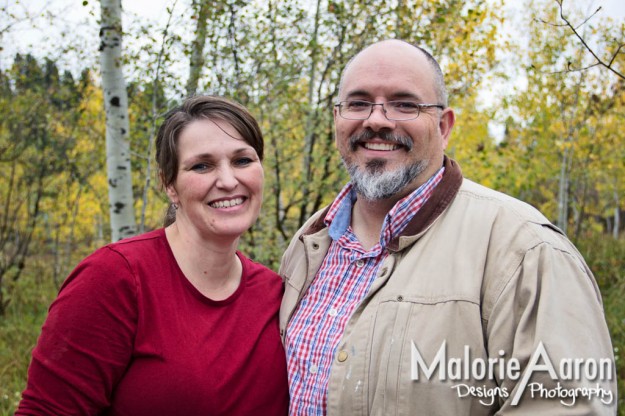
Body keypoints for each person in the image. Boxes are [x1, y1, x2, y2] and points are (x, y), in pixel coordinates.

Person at [280, 40, 617, 415]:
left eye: (404, 104)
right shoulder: (309, 243)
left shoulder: (524, 249)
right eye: (358, 103)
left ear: (443, 127)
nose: (376, 120)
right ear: (337, 119)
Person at [17, 95, 289, 415]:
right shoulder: (116, 278)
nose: (229, 181)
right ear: (169, 185)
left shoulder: (276, 293)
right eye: (202, 165)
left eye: (243, 160)